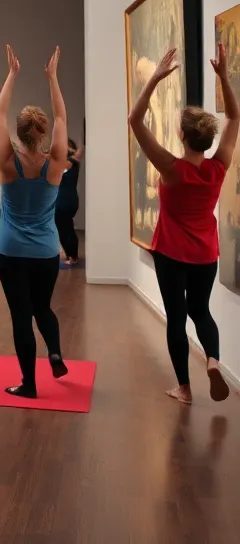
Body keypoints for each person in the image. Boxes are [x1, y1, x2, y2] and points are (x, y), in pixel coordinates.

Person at [128, 44, 235, 404]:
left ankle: (184, 389)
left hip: (172, 254)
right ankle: (214, 361)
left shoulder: (172, 169)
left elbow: (134, 120)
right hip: (206, 255)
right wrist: (223, 77)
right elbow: (235, 119)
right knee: (200, 310)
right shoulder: (218, 167)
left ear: (183, 137)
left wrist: (155, 77)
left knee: (176, 318)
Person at [0, 45, 69, 399]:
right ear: (42, 133)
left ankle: (29, 384)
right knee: (42, 308)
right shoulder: (56, 164)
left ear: (21, 133)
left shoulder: (9, 163)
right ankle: (54, 352)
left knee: (21, 315)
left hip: (10, 251)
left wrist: (11, 74)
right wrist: (52, 78)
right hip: (44, 251)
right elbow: (63, 120)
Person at [55, 140, 83, 265]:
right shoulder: (64, 162)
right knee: (62, 228)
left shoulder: (72, 162)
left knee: (67, 228)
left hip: (67, 200)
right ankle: (69, 255)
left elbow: (79, 151)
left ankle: (73, 256)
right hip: (60, 199)